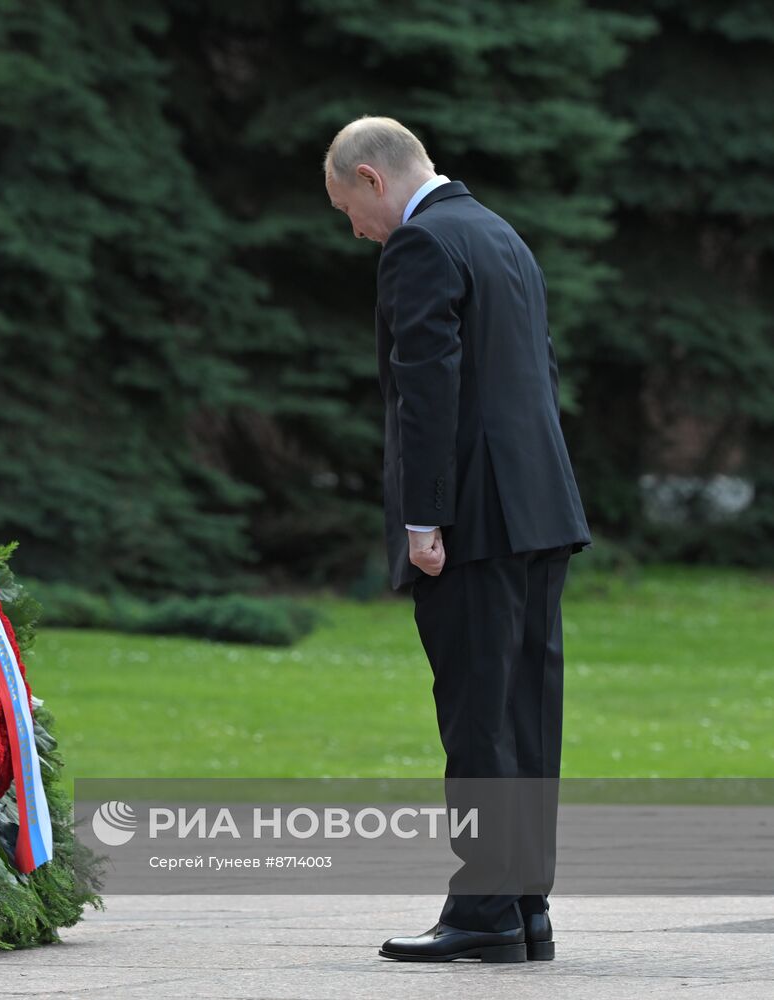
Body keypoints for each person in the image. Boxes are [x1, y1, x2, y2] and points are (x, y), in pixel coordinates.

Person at [324, 116, 590, 963]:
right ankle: (523, 906)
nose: (355, 230)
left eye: (347, 209)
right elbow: (535, 374)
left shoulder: (422, 244)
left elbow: (426, 384)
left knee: (478, 717)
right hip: (540, 509)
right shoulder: (499, 234)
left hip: (472, 520)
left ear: (371, 177)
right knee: (524, 711)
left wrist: (423, 517)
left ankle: (482, 912)